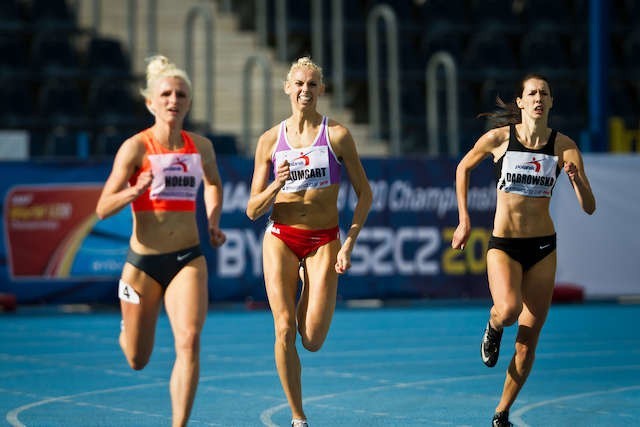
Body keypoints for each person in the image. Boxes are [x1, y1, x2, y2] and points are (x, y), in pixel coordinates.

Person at [452, 74, 596, 426]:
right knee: (509, 309)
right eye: (531, 93)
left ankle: (501, 412)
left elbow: (589, 206)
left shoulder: (564, 147)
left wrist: (576, 180)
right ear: (520, 102)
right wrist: (465, 219)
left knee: (528, 340)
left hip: (543, 247)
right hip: (504, 245)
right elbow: (463, 168)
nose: (537, 98)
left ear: (551, 102)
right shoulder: (499, 139)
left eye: (544, 93)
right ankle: (493, 323)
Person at [95, 55, 226, 427]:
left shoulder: (200, 147)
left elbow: (214, 182)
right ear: (150, 102)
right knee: (138, 359)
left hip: (188, 258)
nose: (173, 100)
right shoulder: (135, 148)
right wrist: (134, 189)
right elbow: (103, 207)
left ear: (188, 102)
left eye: (181, 94)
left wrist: (213, 220)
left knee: (189, 341)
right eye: (165, 94)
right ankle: (127, 327)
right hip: (142, 264)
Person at [246, 56, 373, 427]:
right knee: (284, 329)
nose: (305, 90)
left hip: (323, 241)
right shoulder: (270, 141)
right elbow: (253, 209)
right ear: (288, 88)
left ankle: (306, 282)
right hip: (281, 238)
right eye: (299, 84)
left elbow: (365, 194)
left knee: (313, 339)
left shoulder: (336, 135)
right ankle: (298, 417)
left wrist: (349, 242)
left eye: (312, 85)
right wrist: (275, 184)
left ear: (321, 90)